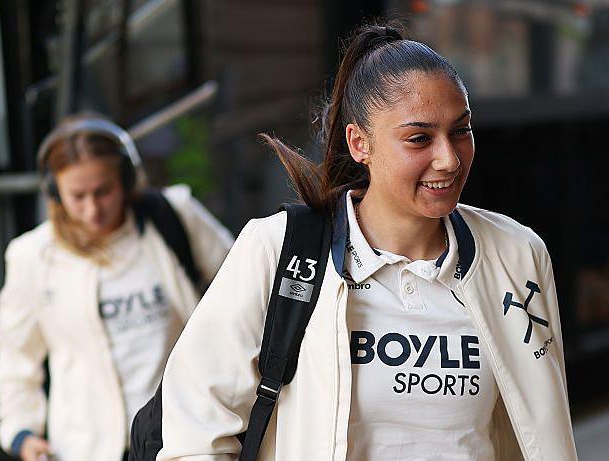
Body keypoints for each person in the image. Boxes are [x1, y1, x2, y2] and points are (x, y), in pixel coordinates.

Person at [157, 23, 577, 460]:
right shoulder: (276, 248)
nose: (449, 159)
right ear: (360, 143)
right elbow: (194, 431)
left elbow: (540, 430)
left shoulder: (517, 254)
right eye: (419, 138)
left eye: (461, 130)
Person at [0, 114, 234, 461]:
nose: (92, 209)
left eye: (103, 192)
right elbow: (17, 357)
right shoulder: (31, 257)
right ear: (53, 190)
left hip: (184, 439)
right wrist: (22, 433)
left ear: (126, 179)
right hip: (83, 448)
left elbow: (245, 296)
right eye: (77, 196)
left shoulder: (175, 217)